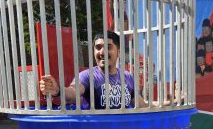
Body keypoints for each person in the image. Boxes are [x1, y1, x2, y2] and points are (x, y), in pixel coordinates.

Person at [40, 31, 178, 109]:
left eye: (108, 47)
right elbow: (73, 92)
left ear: (118, 51)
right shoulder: (88, 76)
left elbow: (141, 104)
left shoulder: (127, 77)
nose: (102, 51)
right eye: (98, 47)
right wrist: (58, 91)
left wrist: (170, 102)